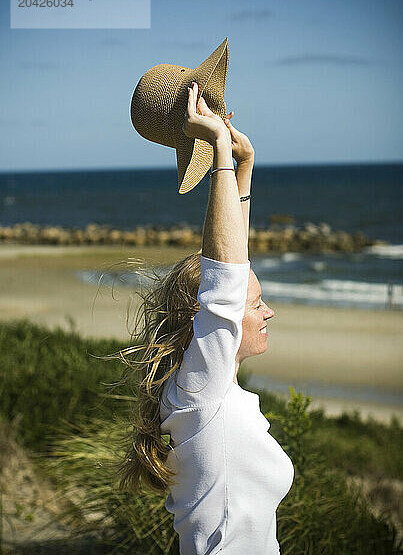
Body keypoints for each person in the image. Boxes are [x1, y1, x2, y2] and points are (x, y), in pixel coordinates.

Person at [118, 82, 294, 554]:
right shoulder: (202, 388)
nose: (268, 310)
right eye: (256, 305)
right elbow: (226, 279)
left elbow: (235, 269)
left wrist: (244, 168)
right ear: (216, 316)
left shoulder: (207, 388)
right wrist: (218, 151)